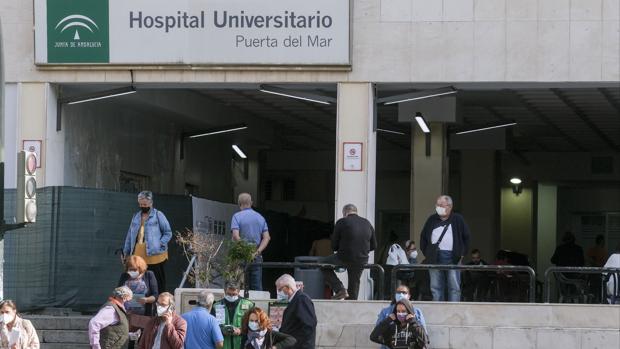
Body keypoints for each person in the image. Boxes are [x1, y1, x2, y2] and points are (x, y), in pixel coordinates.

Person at [419, 195, 470, 302]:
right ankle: (438, 309)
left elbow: (466, 237)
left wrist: (462, 254)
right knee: (435, 287)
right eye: (437, 205)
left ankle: (453, 311)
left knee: (454, 287)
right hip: (434, 258)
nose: (438, 207)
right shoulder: (431, 219)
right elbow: (423, 237)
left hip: (453, 257)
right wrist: (428, 253)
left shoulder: (457, 219)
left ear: (450, 206)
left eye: (441, 205)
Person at [321, 204, 377, 300]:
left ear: (345, 213)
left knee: (322, 264)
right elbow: (374, 245)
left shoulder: (342, 222)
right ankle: (352, 306)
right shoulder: (367, 223)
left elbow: (334, 245)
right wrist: (362, 251)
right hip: (361, 259)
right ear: (356, 212)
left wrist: (341, 249)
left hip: (344, 257)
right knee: (354, 283)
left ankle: (340, 289)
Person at [123, 191, 173, 292]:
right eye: (140, 204)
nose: (142, 206)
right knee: (139, 280)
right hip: (138, 254)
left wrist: (160, 244)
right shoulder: (136, 216)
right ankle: (143, 303)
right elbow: (130, 235)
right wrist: (126, 252)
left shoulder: (158, 215)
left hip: (155, 255)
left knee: (158, 281)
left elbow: (168, 233)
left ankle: (159, 302)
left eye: (145, 204)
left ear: (151, 203)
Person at [231, 193, 271, 291]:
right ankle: (257, 306)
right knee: (256, 286)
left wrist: (245, 250)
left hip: (240, 255)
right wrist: (257, 252)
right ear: (251, 203)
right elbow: (267, 238)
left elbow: (235, 236)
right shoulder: (260, 217)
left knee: (239, 286)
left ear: (239, 203)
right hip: (256, 255)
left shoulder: (237, 216)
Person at [276, 274, 317, 349]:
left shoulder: (302, 299)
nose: (278, 292)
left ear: (287, 287)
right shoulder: (295, 300)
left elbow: (309, 326)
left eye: (279, 289)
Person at [211, 281, 255, 349]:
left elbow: (254, 327)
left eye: (234, 294)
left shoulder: (249, 305)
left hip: (242, 344)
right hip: (223, 345)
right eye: (229, 294)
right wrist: (222, 330)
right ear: (225, 291)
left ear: (238, 292)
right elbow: (212, 327)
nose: (231, 296)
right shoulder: (216, 306)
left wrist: (241, 331)